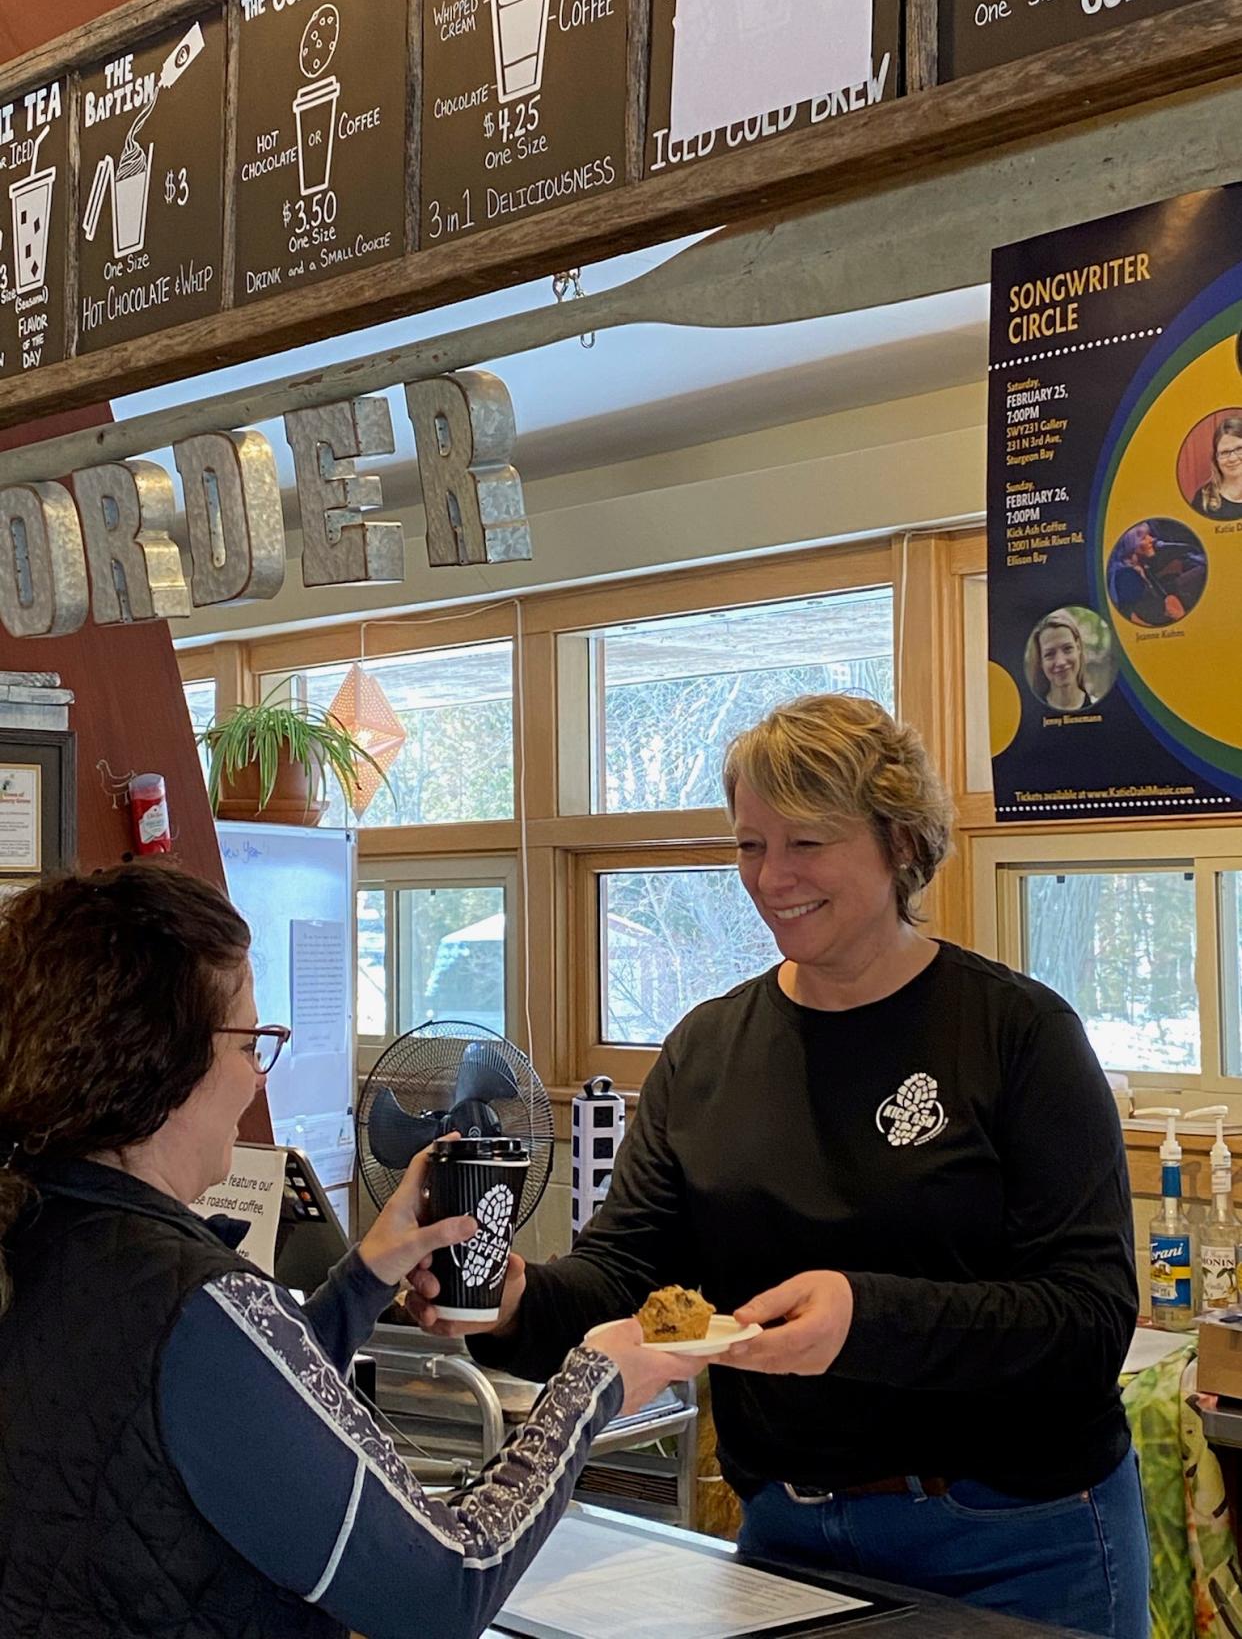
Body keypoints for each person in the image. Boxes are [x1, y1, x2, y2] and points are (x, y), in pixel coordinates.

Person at [412, 694, 1148, 1638]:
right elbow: (628, 1276)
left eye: (807, 842)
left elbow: (1087, 1320)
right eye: (751, 845)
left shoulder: (1017, 1036)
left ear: (900, 843)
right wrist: (513, 1301)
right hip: (788, 1532)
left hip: (1016, 1541)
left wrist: (864, 1319)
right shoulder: (709, 1050)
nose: (770, 877)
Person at [0, 864, 697, 1639]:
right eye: (251, 1044)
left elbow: (223, 1415)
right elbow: (444, 1590)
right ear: (165, 1060)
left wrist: (366, 1278)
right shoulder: (195, 1305)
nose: (254, 1082)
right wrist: (591, 1388)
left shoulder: (38, 1226)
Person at [1107, 522, 1205, 628]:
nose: (1152, 540)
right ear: (1132, 545)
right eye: (1144, 538)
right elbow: (1129, 613)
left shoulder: (1143, 568)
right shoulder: (1127, 576)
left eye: (1149, 535)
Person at [1030, 608, 1096, 711]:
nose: (1061, 662)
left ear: (1078, 647)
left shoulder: (1099, 707)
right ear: (1040, 661)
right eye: (1049, 654)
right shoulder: (1032, 713)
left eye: (1067, 649)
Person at [1193, 416, 1242, 519]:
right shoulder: (1203, 499)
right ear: (1216, 459)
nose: (1232, 458)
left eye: (1239, 449)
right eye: (1225, 452)